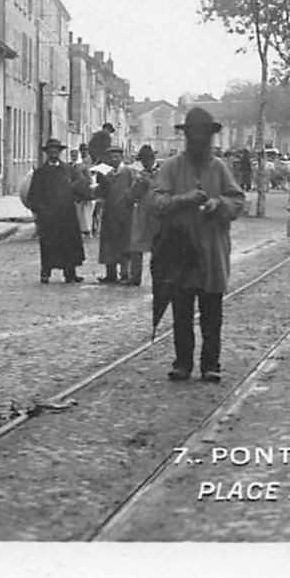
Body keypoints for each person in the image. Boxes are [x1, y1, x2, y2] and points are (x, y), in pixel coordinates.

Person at [150, 108, 244, 380]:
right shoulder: (171, 167)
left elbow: (237, 201)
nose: (200, 139)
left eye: (205, 135)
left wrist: (219, 204)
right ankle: (182, 362)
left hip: (212, 252)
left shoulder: (219, 167)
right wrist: (184, 199)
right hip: (180, 252)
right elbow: (155, 202)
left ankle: (211, 364)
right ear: (187, 136)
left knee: (212, 311)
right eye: (195, 134)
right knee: (181, 310)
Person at [27, 139, 91, 283]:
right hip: (48, 216)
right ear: (46, 153)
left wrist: (77, 194)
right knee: (49, 244)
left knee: (69, 244)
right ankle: (46, 273)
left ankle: (70, 273)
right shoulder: (40, 173)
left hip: (67, 214)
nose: (53, 153)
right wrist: (41, 210)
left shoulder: (68, 170)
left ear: (60, 152)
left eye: (56, 150)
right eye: (50, 151)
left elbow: (82, 184)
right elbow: (34, 194)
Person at [97, 145, 137, 284]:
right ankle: (110, 274)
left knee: (124, 243)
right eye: (111, 157)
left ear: (121, 157)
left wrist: (129, 199)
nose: (113, 159)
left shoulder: (129, 172)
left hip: (125, 214)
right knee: (109, 243)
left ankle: (124, 273)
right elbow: (101, 192)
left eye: (116, 157)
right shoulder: (105, 174)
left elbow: (135, 190)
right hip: (109, 213)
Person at [124, 145, 159, 286]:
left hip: (159, 214)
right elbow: (131, 196)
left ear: (152, 158)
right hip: (142, 213)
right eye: (142, 160)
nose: (145, 163)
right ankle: (135, 277)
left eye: (147, 160)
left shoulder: (162, 172)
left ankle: (159, 277)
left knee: (158, 247)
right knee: (136, 245)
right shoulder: (140, 175)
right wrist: (138, 185)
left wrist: (149, 182)